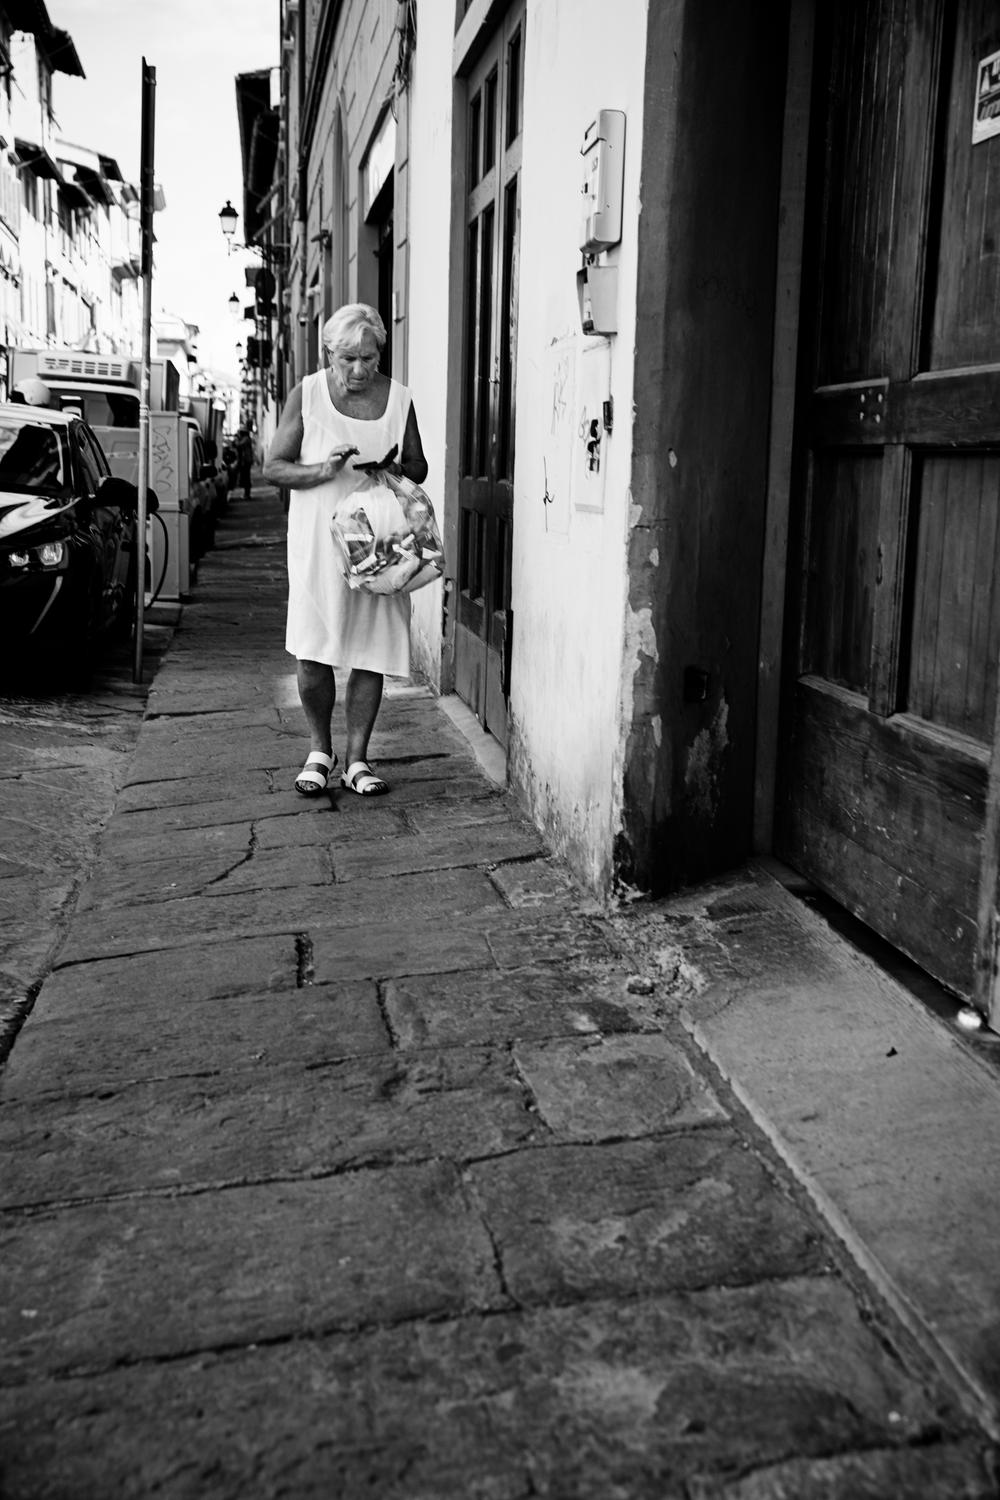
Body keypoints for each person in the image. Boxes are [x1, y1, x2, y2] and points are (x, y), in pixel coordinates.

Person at [262, 303, 428, 798]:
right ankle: (320, 750)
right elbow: (274, 467)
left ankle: (357, 758)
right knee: (313, 647)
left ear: (380, 355)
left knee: (371, 650)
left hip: (380, 541)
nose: (358, 370)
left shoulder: (399, 399)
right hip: (318, 541)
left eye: (369, 359)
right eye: (348, 359)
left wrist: (394, 469)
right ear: (328, 354)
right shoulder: (308, 394)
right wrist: (323, 470)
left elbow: (418, 466)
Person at [233, 426, 254, 500]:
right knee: (245, 478)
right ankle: (246, 494)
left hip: (246, 461)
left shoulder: (246, 439)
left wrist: (236, 439)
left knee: (246, 478)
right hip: (245, 461)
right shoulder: (246, 438)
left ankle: (247, 494)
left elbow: (238, 445)